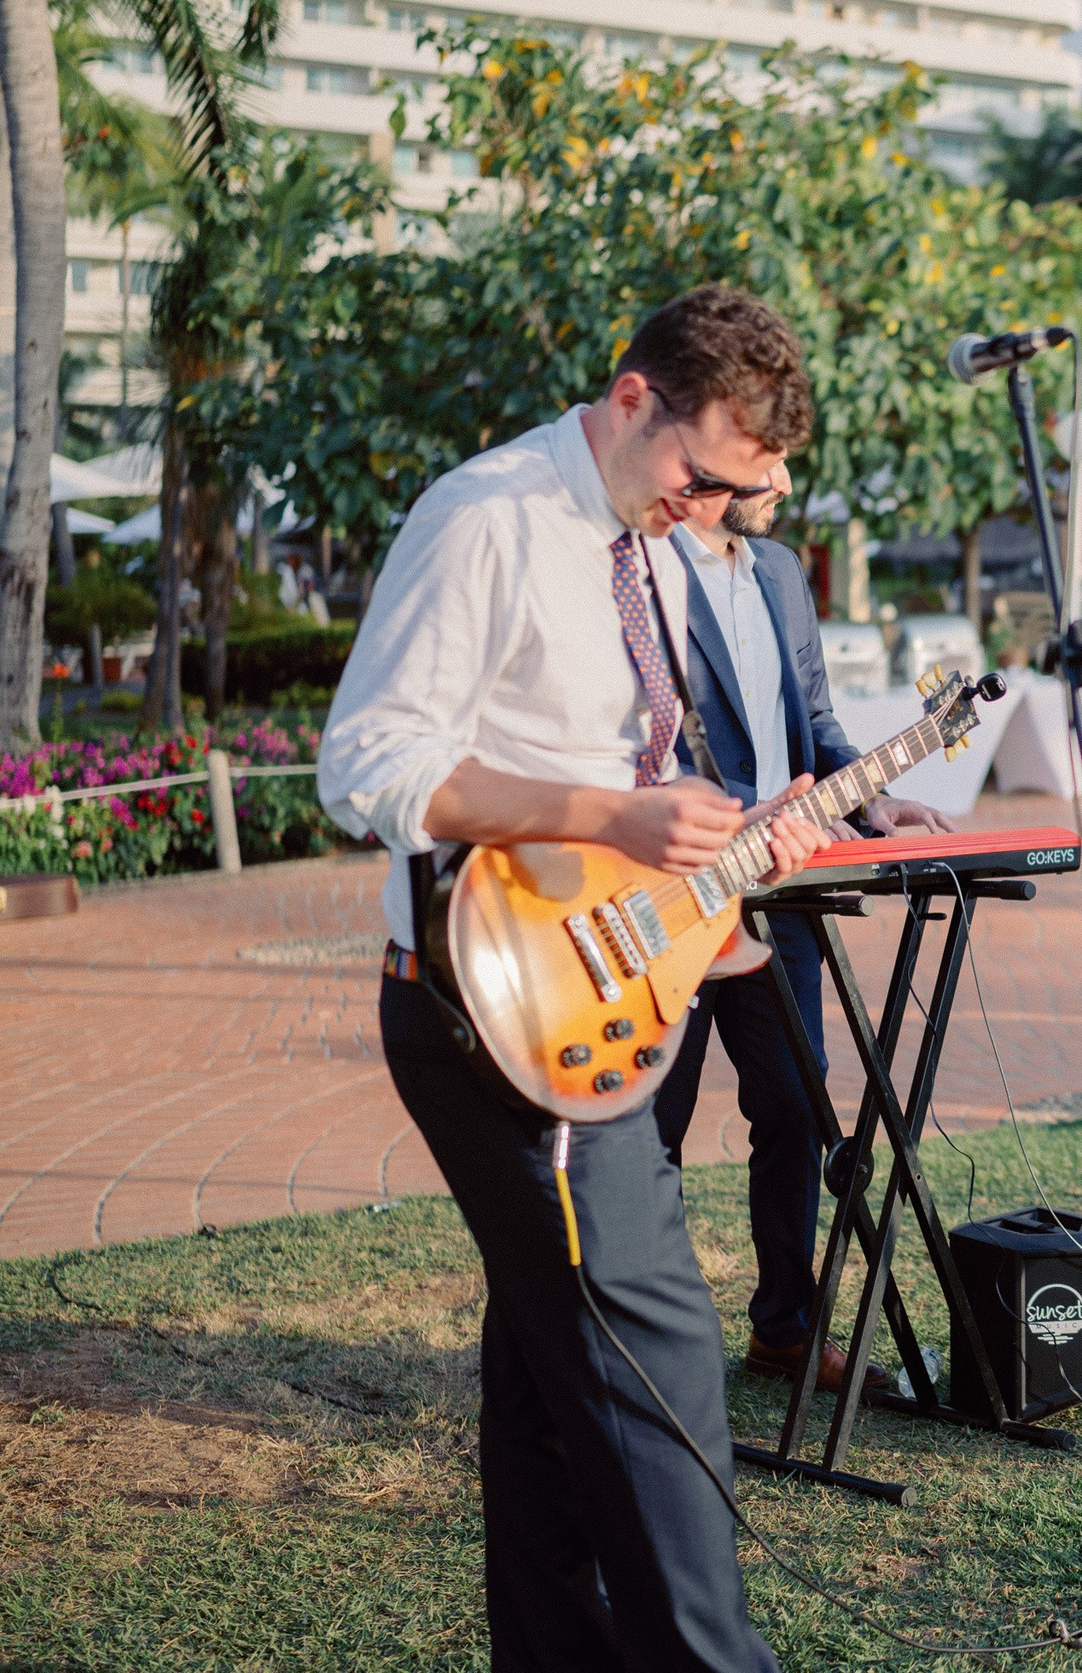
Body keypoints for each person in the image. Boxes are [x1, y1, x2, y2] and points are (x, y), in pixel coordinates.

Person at [319, 284, 831, 1671]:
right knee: (656, 1361)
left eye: (742, 489)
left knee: (555, 1373)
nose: (711, 508)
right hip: (487, 1005)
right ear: (629, 399)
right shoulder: (486, 515)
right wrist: (614, 822)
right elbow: (366, 764)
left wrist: (713, 867)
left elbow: (635, 777)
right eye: (702, 474)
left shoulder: (651, 536)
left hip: (596, 985)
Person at [651, 456, 953, 1397]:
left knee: (797, 1106)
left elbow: (814, 720)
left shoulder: (782, 571)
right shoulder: (644, 568)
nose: (784, 475)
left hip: (782, 892)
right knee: (650, 1123)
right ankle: (641, 1339)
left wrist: (874, 802)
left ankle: (784, 1329)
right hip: (670, 891)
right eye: (766, 455)